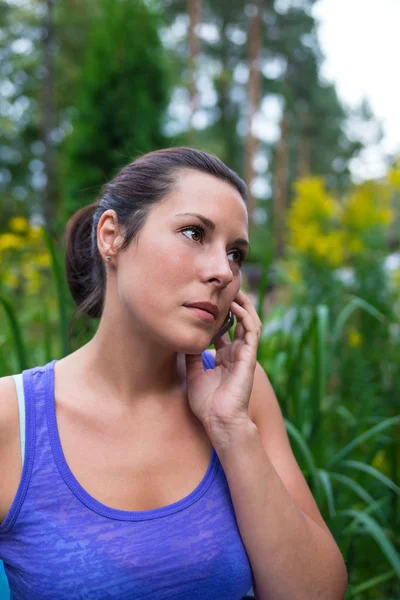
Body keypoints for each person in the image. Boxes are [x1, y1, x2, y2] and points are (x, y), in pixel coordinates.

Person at [0, 147, 347, 599]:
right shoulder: (14, 420)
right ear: (112, 237)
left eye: (236, 254)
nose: (223, 271)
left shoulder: (241, 395)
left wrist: (231, 429)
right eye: (193, 232)